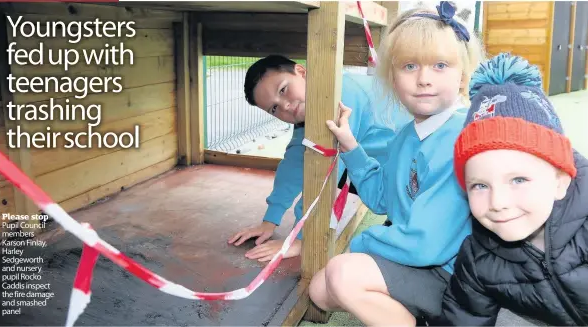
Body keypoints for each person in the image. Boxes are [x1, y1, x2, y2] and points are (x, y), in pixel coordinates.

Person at [308, 2, 486, 325]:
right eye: (409, 67)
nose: (424, 79)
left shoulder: (460, 136)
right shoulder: (406, 136)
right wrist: (350, 144)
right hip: (421, 260)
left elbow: (425, 243)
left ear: (463, 76)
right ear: (392, 77)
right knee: (320, 292)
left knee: (342, 274)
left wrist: (362, 245)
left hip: (453, 275)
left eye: (441, 65)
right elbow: (380, 198)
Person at [436, 52, 588, 326]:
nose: (498, 202)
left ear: (560, 182)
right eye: (480, 185)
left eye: (518, 180)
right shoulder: (478, 257)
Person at [228, 55, 412, 261]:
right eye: (274, 108)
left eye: (283, 90)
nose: (285, 106)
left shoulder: (341, 97)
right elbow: (295, 163)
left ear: (301, 72)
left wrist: (300, 238)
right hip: (396, 170)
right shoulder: (313, 106)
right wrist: (270, 220)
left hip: (417, 172)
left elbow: (325, 172)